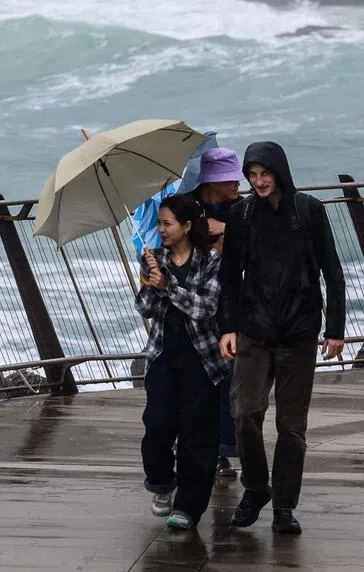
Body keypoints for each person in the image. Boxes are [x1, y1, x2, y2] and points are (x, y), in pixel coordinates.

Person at [219, 142, 346, 536]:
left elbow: (333, 270)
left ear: (279, 171)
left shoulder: (309, 211)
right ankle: (257, 489)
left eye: (264, 174)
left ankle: (284, 507)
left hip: (299, 334)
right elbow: (228, 275)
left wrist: (335, 330)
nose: (258, 182)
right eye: (252, 175)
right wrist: (227, 326)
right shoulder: (241, 214)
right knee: (245, 414)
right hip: (254, 330)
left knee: (292, 427)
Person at [136, 193, 228, 532]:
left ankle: (189, 507)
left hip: (201, 360)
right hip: (162, 356)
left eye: (167, 223)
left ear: (187, 226)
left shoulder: (210, 261)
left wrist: (169, 285)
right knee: (157, 426)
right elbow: (144, 307)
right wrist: (150, 280)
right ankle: (161, 484)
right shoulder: (153, 259)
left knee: (197, 436)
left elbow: (206, 308)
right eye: (158, 223)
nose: (160, 229)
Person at [191, 147, 244, 479]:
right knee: (201, 380)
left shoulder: (241, 208)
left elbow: (247, 246)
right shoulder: (188, 209)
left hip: (232, 300)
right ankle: (207, 449)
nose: (239, 182)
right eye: (231, 177)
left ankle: (226, 449)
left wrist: (224, 234)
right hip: (198, 302)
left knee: (230, 377)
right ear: (212, 181)